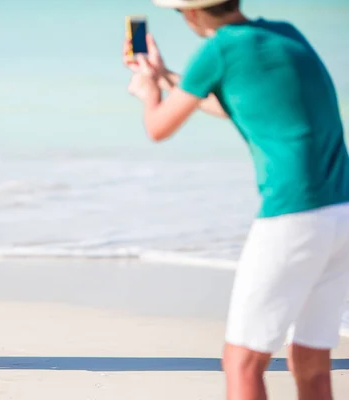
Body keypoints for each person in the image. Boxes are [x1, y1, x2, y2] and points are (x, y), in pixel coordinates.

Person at [124, 1, 349, 399]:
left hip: (292, 214)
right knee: (311, 359)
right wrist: (164, 77)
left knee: (242, 362)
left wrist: (147, 92)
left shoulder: (219, 49)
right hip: (340, 212)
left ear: (191, 15)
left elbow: (158, 127)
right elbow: (238, 103)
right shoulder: (286, 33)